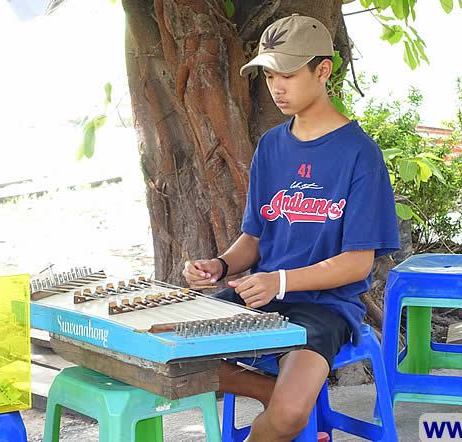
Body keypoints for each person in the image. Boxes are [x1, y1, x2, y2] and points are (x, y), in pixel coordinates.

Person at [183, 14, 400, 442]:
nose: (276, 87)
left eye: (287, 74)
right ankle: (269, 390)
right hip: (260, 297)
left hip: (324, 308)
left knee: (286, 419)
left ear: (323, 70)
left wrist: (280, 282)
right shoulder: (271, 147)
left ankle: (279, 409)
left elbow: (357, 265)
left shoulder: (360, 155)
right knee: (168, 355)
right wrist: (221, 266)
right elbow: (256, 237)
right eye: (268, 76)